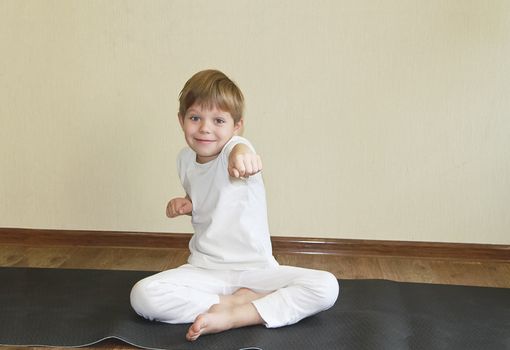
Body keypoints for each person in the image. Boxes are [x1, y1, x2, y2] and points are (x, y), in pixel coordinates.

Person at [130, 69, 339, 341]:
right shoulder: (184, 160)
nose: (205, 128)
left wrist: (244, 158)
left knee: (326, 287)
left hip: (256, 270)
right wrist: (188, 204)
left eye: (218, 120)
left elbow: (240, 151)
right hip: (205, 269)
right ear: (181, 120)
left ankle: (236, 315)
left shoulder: (236, 149)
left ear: (236, 126)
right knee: (143, 296)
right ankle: (235, 303)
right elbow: (211, 197)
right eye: (195, 118)